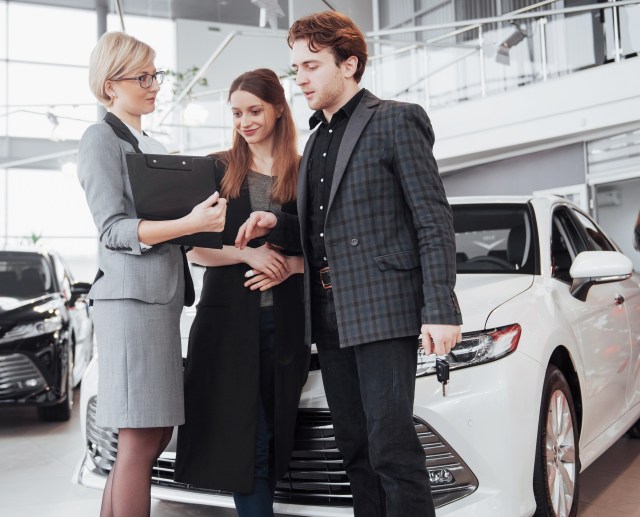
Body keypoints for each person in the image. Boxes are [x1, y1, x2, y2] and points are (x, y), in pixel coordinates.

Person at [235, 11, 463, 517]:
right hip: (329, 313)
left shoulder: (397, 120)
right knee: (355, 451)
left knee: (392, 449)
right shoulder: (314, 142)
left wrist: (441, 307)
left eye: (312, 66)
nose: (301, 79)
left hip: (382, 308)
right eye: (296, 68)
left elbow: (432, 218)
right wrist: (274, 223)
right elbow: (318, 233)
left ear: (350, 63)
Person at [77, 32, 227, 517]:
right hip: (130, 304)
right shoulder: (100, 139)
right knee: (140, 437)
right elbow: (113, 231)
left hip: (159, 304)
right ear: (109, 85)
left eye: (154, 74)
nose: (154, 85)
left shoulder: (149, 143)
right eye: (142, 76)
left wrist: (213, 228)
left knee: (152, 434)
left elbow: (171, 230)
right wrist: (189, 223)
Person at [174, 68, 309, 517]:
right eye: (236, 113)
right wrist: (247, 256)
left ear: (278, 108)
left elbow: (327, 247)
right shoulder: (217, 169)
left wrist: (289, 266)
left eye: (254, 111)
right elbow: (194, 248)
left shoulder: (306, 171)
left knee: (274, 436)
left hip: (285, 323)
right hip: (227, 323)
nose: (245, 121)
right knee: (248, 437)